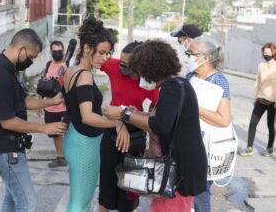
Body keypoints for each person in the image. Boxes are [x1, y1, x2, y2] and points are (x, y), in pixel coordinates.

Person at [0, 28, 67, 212]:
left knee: (13, 200)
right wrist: (45, 128)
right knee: (28, 203)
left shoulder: (10, 70)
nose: (31, 61)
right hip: (6, 150)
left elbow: (21, 101)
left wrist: (51, 101)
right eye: (31, 57)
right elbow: (8, 121)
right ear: (21, 49)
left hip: (12, 149)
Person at [120, 40, 208, 212]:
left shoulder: (171, 88)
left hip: (181, 168)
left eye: (142, 72)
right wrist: (138, 114)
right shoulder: (177, 83)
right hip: (184, 164)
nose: (141, 77)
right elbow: (166, 118)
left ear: (151, 69)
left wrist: (126, 115)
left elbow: (161, 125)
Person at [62, 16, 130, 212]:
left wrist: (107, 113)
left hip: (77, 138)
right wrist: (116, 124)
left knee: (78, 201)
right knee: (80, 204)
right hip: (84, 144)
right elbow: (87, 116)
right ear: (86, 48)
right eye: (101, 52)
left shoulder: (72, 71)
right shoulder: (84, 75)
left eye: (108, 54)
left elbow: (80, 107)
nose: (105, 58)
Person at [99, 41, 159, 212]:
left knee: (130, 194)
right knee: (106, 193)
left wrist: (150, 147)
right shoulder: (113, 66)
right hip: (112, 132)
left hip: (135, 138)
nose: (121, 66)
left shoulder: (150, 83)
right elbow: (92, 59)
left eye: (126, 64)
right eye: (121, 61)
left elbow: (155, 115)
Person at [185, 36, 232, 212]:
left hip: (206, 147)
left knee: (199, 194)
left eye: (190, 53)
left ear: (205, 58)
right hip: (187, 143)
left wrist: (194, 109)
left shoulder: (218, 81)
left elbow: (224, 119)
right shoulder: (190, 76)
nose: (187, 56)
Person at [240, 43, 276, 157]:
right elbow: (258, 82)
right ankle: (249, 147)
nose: (266, 54)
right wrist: (256, 97)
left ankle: (270, 148)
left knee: (270, 125)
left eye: (268, 52)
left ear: (274, 52)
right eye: (264, 52)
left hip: (273, 101)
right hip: (261, 98)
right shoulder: (261, 65)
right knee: (252, 123)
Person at [43, 40, 69, 168]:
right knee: (55, 133)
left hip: (64, 107)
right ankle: (60, 157)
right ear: (51, 52)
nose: (57, 53)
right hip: (50, 106)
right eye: (54, 51)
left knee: (68, 132)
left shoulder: (67, 66)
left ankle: (71, 156)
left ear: (63, 51)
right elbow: (45, 84)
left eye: (59, 51)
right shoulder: (49, 65)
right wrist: (41, 103)